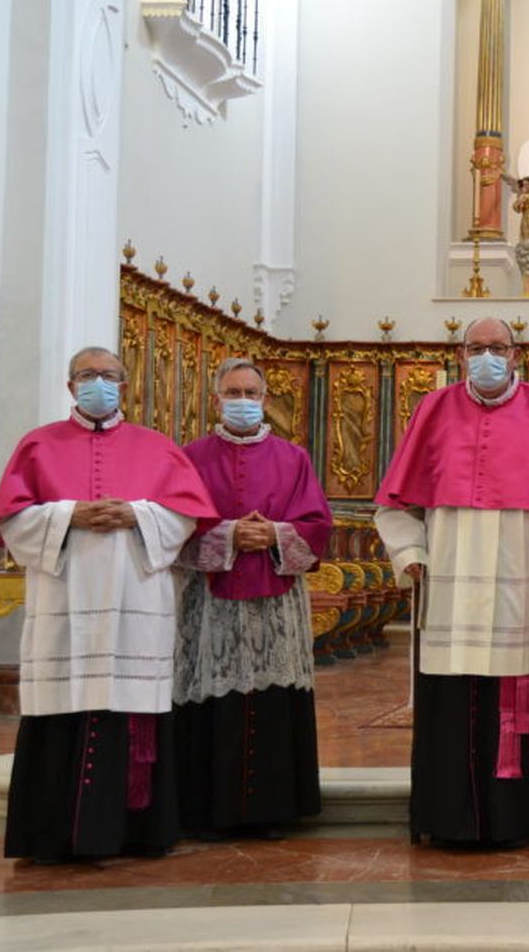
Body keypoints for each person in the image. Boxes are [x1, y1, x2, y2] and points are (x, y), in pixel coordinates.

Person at [0, 346, 216, 862]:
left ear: (125, 385)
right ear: (70, 386)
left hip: (133, 596)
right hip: (63, 599)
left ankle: (135, 830)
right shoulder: (37, 445)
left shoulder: (157, 448)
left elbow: (186, 517)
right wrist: (70, 515)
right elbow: (10, 521)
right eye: (88, 375)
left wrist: (136, 514)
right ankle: (50, 836)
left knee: (129, 709)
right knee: (59, 711)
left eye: (109, 376)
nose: (99, 384)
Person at [374, 316, 529, 848]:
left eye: (498, 347)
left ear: (517, 354)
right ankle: (445, 818)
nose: (487, 356)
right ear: (460, 353)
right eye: (476, 347)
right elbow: (397, 504)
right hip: (447, 587)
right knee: (448, 701)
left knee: (511, 698)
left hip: (519, 585)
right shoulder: (433, 409)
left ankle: (515, 818)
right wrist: (411, 552)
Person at [174, 358, 333, 840]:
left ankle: (273, 809)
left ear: (265, 400)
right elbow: (173, 527)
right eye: (233, 392)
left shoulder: (293, 458)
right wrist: (226, 535)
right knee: (212, 697)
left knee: (272, 698)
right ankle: (207, 809)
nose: (242, 401)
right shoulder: (190, 457)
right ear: (215, 399)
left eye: (251, 393)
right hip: (211, 603)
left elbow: (317, 525)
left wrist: (275, 535)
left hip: (274, 602)